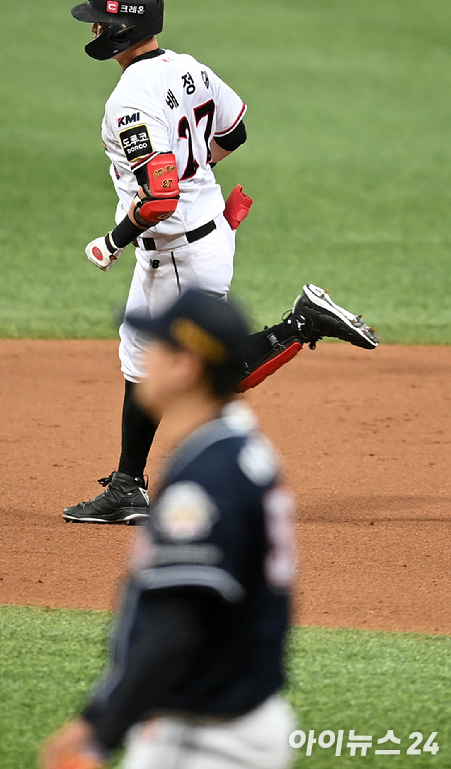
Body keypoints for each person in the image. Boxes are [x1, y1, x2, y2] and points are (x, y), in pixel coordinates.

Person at [62, 0, 378, 524]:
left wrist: (111, 241)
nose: (91, 30)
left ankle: (300, 324)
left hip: (182, 253)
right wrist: (195, 183)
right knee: (139, 363)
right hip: (196, 236)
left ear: (121, 28)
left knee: (209, 375)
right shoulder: (188, 68)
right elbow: (234, 132)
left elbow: (159, 196)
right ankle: (126, 487)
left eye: (100, 21)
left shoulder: (129, 101)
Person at [41, 289, 298, 769]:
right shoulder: (235, 446)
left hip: (206, 732)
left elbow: (174, 627)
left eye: (155, 346)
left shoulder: (204, 481)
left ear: (186, 367)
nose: (144, 357)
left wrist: (99, 732)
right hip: (231, 711)